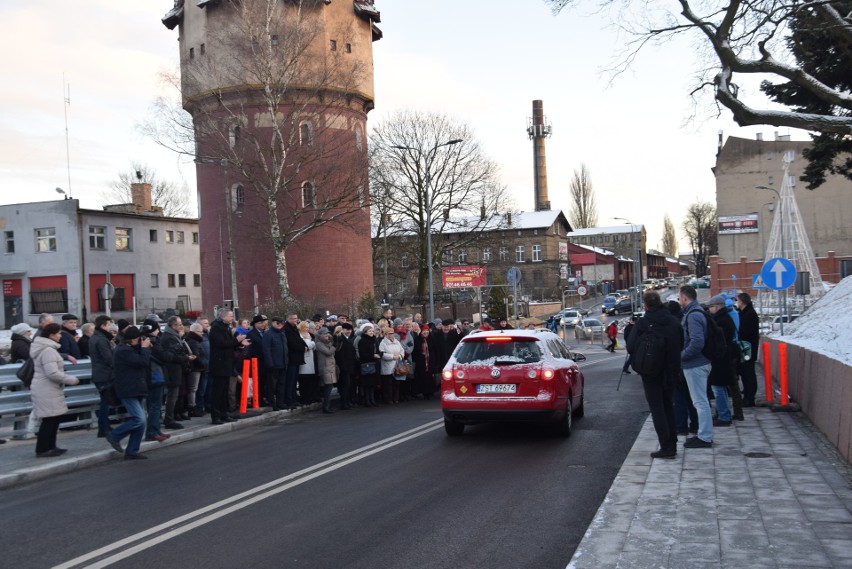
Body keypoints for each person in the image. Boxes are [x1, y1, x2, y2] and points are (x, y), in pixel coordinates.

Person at [627, 291, 682, 459]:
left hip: (651, 372)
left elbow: (630, 346)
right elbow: (681, 343)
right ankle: (673, 443)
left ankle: (666, 447)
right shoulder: (673, 321)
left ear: (646, 305)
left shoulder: (644, 323)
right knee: (668, 406)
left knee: (657, 408)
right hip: (671, 371)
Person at [29, 323, 81, 457]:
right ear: (51, 335)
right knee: (49, 419)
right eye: (58, 334)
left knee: (54, 418)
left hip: (48, 388)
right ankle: (43, 449)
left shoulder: (47, 348)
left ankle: (51, 446)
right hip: (46, 389)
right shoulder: (48, 351)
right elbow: (52, 373)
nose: (60, 336)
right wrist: (71, 379)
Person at [106, 326, 152, 460]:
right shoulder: (123, 351)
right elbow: (142, 361)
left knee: (142, 422)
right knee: (139, 419)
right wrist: (144, 349)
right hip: (128, 389)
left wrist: (144, 348)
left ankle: (132, 450)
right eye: (139, 339)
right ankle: (114, 435)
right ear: (133, 339)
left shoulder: (129, 348)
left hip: (136, 388)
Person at [679, 285, 714, 449]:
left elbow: (697, 342)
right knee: (701, 401)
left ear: (685, 298)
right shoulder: (698, 312)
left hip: (695, 364)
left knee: (700, 402)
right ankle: (703, 433)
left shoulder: (692, 316)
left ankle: (705, 437)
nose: (679, 301)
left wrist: (681, 356)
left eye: (680, 298)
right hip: (699, 362)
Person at [208, 309, 247, 424]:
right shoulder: (216, 328)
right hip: (219, 364)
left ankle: (224, 414)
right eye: (230, 316)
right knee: (218, 392)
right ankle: (215, 416)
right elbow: (221, 344)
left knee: (225, 391)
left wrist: (239, 344)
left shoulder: (226, 327)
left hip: (227, 364)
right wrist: (236, 341)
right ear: (223, 316)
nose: (232, 318)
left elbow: (230, 344)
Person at [706, 295, 737, 427]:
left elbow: (718, 341)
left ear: (717, 307)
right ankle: (723, 413)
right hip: (723, 359)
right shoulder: (724, 318)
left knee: (718, 389)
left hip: (720, 360)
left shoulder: (721, 321)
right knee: (721, 388)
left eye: (711, 307)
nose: (710, 310)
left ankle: (724, 416)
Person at [160, 316, 195, 429]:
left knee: (174, 395)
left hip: (175, 370)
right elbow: (173, 356)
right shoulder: (169, 337)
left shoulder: (173, 336)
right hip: (172, 370)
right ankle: (169, 419)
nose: (181, 326)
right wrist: (186, 358)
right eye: (179, 324)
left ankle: (171, 417)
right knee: (172, 396)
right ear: (173, 325)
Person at [88, 315, 116, 438]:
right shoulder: (101, 339)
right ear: (103, 325)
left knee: (105, 401)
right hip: (104, 375)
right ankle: (103, 428)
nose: (110, 327)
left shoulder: (95, 337)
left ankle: (105, 425)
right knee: (105, 402)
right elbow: (108, 358)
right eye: (109, 324)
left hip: (100, 374)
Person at [736, 292, 760, 407]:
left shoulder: (749, 314)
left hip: (748, 349)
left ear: (741, 302)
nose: (737, 303)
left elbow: (745, 332)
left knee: (748, 373)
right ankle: (747, 394)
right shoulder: (745, 313)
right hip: (746, 348)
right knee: (745, 373)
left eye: (738, 301)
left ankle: (750, 397)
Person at [262, 316, 288, 410]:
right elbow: (266, 350)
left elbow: (285, 348)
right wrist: (270, 363)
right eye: (278, 323)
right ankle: (272, 404)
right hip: (273, 365)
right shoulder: (268, 334)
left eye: (281, 323)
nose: (280, 325)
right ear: (273, 323)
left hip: (282, 363)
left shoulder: (282, 333)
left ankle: (280, 403)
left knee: (281, 385)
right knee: (272, 386)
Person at [246, 314, 271, 406]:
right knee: (258, 382)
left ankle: (263, 398)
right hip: (256, 362)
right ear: (255, 324)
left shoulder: (266, 333)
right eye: (260, 323)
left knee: (264, 382)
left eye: (263, 322)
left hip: (265, 362)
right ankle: (257, 400)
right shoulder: (251, 334)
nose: (263, 324)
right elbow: (249, 350)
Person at [184, 322, 207, 417]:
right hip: (195, 369)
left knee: (194, 389)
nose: (202, 334)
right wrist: (203, 366)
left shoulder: (192, 340)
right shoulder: (193, 341)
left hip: (196, 368)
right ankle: (192, 408)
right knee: (193, 389)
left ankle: (193, 407)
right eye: (200, 332)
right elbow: (197, 356)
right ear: (196, 332)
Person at [283, 312, 305, 410]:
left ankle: (294, 398)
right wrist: (302, 348)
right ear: (288, 319)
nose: (295, 320)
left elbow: (299, 339)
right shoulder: (286, 329)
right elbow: (292, 343)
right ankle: (289, 400)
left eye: (296, 318)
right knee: (290, 380)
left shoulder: (295, 328)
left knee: (294, 380)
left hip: (296, 358)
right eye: (292, 318)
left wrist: (305, 345)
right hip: (291, 358)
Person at [314, 327, 338, 413]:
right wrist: (334, 344)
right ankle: (326, 406)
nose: (326, 335)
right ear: (320, 335)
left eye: (327, 334)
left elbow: (332, 350)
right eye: (324, 334)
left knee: (330, 386)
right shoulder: (319, 344)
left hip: (330, 367)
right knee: (327, 387)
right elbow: (328, 352)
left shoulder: (328, 342)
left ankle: (328, 405)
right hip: (325, 367)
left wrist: (332, 338)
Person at [379, 326, 405, 404]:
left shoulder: (397, 341)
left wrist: (400, 356)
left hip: (397, 366)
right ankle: (388, 399)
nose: (391, 335)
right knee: (388, 384)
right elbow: (382, 354)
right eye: (389, 334)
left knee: (396, 383)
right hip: (387, 366)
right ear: (386, 334)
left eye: (392, 333)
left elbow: (402, 350)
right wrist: (392, 356)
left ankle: (395, 398)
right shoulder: (383, 343)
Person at [357, 323, 381, 407]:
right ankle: (367, 401)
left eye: (372, 331)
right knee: (367, 384)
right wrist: (373, 355)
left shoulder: (375, 340)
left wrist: (379, 354)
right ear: (365, 332)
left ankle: (372, 399)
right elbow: (362, 354)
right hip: (366, 364)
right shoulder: (362, 341)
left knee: (373, 384)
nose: (371, 332)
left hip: (375, 364)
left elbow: (377, 350)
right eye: (369, 331)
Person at [334, 322, 357, 410]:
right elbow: (340, 354)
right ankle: (344, 403)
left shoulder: (349, 339)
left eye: (350, 330)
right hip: (344, 366)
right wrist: (343, 367)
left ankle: (347, 401)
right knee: (344, 385)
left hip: (350, 365)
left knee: (349, 385)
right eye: (347, 330)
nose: (349, 331)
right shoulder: (340, 339)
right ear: (343, 330)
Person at [297, 320, 319, 405]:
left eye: (308, 327)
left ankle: (311, 397)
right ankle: (305, 398)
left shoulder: (310, 335)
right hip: (304, 360)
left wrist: (312, 344)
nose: (307, 329)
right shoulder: (299, 335)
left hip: (311, 360)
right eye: (305, 327)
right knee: (304, 381)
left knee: (311, 381)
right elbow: (305, 347)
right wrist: (312, 344)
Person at [412, 324, 436, 399]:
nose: (425, 332)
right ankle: (424, 392)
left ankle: (430, 391)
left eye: (427, 330)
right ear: (421, 331)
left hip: (430, 360)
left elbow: (435, 350)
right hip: (421, 361)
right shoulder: (417, 339)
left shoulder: (432, 338)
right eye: (424, 331)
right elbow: (415, 351)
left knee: (430, 376)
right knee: (422, 377)